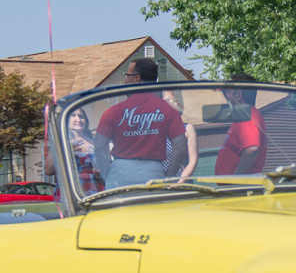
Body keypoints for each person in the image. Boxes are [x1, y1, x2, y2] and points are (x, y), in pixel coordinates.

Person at [94, 58, 187, 188]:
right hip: (153, 172)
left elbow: (99, 146)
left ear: (137, 78)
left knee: (119, 209)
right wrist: (168, 178)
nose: (125, 81)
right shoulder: (168, 110)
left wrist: (106, 173)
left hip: (120, 172)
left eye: (127, 76)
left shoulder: (113, 111)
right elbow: (180, 147)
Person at [215, 74, 267, 174]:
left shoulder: (247, 117)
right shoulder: (248, 115)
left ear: (238, 95)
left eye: (228, 92)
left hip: (241, 187)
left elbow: (252, 150)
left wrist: (236, 179)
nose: (225, 95)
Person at [161, 88, 198, 180]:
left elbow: (192, 162)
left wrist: (178, 184)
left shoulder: (187, 129)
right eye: (168, 100)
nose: (174, 103)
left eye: (176, 100)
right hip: (157, 185)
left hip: (181, 185)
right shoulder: (155, 129)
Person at [67, 107, 104, 194]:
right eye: (73, 116)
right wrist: (68, 152)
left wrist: (100, 171)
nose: (78, 120)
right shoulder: (62, 141)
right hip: (73, 188)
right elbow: (49, 170)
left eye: (81, 116)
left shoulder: (95, 140)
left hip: (96, 186)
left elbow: (106, 164)